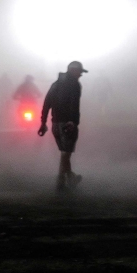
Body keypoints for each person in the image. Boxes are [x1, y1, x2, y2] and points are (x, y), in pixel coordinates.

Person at [39, 61, 86, 191]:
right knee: (66, 154)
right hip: (67, 123)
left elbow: (47, 102)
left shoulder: (55, 84)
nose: (80, 75)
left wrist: (43, 122)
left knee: (64, 153)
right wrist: (72, 120)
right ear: (72, 70)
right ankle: (65, 179)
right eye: (79, 72)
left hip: (55, 124)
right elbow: (74, 104)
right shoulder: (74, 85)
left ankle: (66, 179)